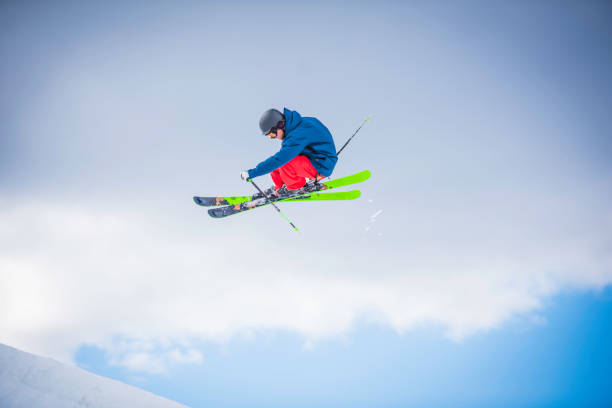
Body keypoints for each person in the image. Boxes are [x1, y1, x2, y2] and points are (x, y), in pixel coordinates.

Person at [240, 108, 338, 197]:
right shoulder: (298, 126)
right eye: (269, 136)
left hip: (322, 166)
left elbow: (280, 159)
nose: (273, 137)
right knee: (276, 167)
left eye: (271, 134)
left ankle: (296, 188)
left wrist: (252, 173)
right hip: (315, 159)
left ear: (280, 124)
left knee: (284, 162)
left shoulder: (297, 134)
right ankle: (280, 188)